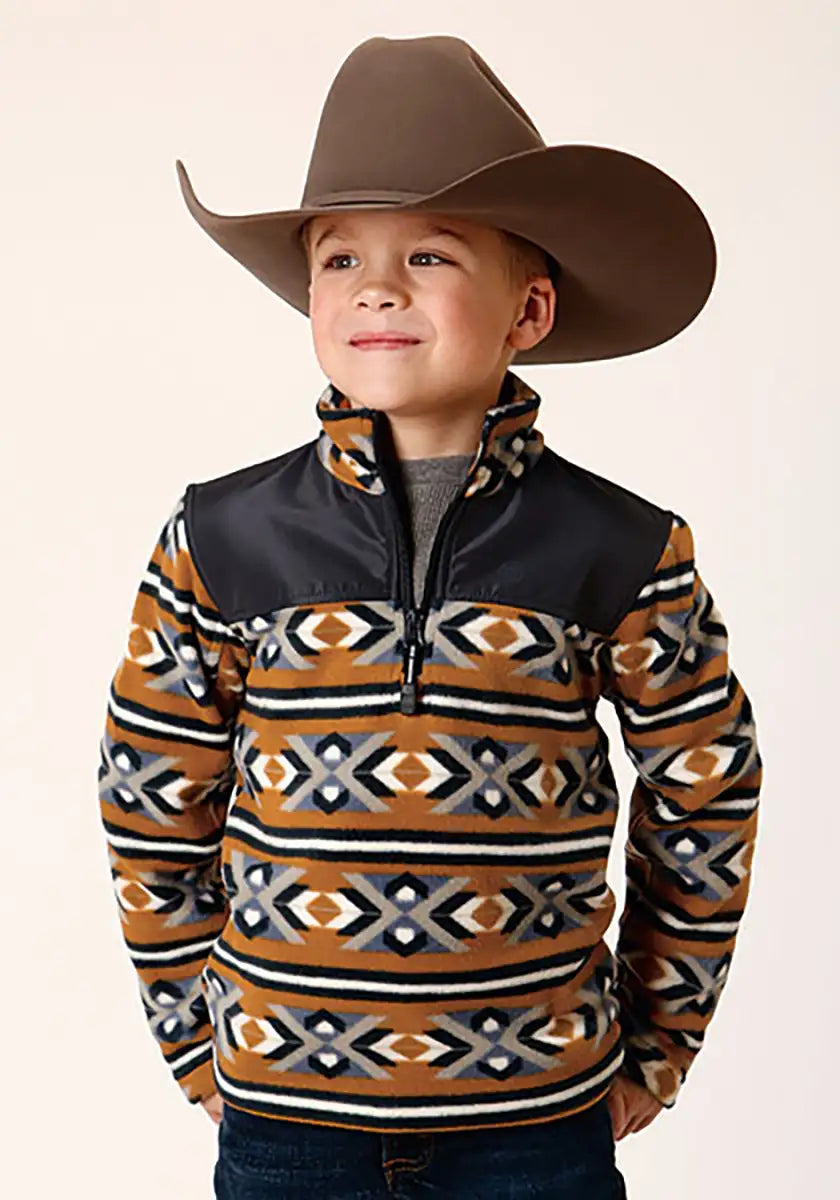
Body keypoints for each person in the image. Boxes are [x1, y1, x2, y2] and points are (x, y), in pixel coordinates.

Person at [97, 34, 762, 1200]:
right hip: (286, 1129)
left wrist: (660, 1045)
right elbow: (150, 795)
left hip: (537, 1129)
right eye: (340, 256)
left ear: (529, 309)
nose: (378, 287)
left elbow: (706, 791)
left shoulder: (623, 549)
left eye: (429, 254)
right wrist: (194, 1041)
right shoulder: (218, 538)